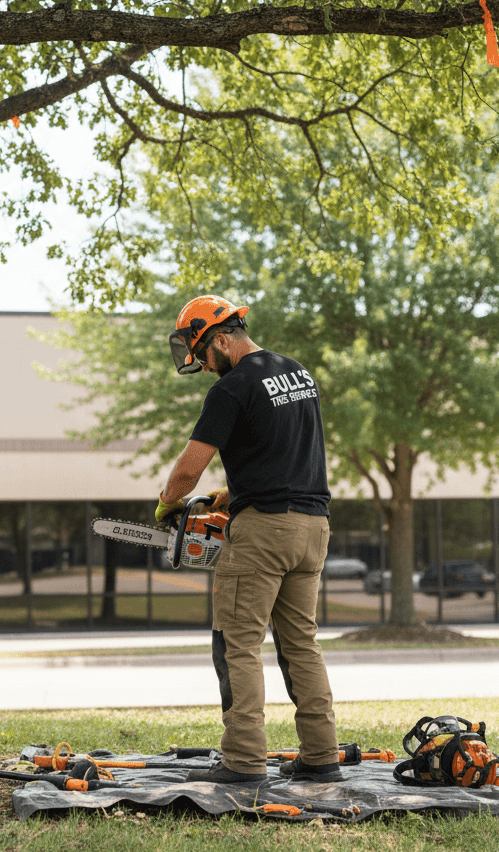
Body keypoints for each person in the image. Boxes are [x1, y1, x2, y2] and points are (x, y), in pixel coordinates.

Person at [156, 295, 341, 785]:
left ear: (219, 338)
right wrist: (233, 492)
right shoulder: (297, 373)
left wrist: (169, 504)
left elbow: (188, 469)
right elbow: (284, 451)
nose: (201, 364)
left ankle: (242, 761)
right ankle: (322, 756)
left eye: (201, 353)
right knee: (301, 644)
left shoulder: (232, 388)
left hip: (263, 532)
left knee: (236, 643)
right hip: (312, 527)